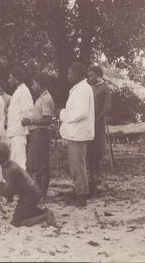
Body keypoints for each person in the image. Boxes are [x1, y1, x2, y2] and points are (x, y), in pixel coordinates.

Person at [0, 141, 57, 227]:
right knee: (23, 213)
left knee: (17, 222)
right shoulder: (6, 166)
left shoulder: (11, 169)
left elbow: (7, 193)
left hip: (31, 195)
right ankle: (42, 212)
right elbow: (12, 187)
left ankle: (45, 216)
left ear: (1, 156)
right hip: (30, 193)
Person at [59, 62, 95, 207]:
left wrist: (63, 115)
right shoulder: (79, 88)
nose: (68, 76)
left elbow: (81, 112)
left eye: (70, 73)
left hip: (78, 133)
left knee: (78, 166)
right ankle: (79, 192)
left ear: (79, 75)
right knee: (76, 165)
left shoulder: (82, 89)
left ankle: (81, 197)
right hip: (75, 133)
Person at [22, 73, 54, 197]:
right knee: (39, 164)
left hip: (41, 133)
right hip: (37, 132)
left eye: (34, 84)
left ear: (39, 84)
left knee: (42, 165)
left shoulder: (46, 99)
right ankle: (39, 192)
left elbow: (47, 120)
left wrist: (30, 121)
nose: (32, 86)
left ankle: (42, 194)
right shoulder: (42, 97)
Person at [87, 65, 111, 197]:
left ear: (98, 75)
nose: (89, 78)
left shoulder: (104, 88)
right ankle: (91, 177)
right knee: (89, 149)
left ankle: (98, 177)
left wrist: (97, 119)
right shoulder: (89, 88)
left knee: (97, 149)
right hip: (88, 123)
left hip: (98, 124)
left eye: (91, 75)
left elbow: (107, 108)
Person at [6, 66, 35, 170]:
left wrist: (24, 122)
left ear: (16, 78)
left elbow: (28, 110)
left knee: (20, 162)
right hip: (13, 132)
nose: (8, 80)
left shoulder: (24, 91)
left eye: (10, 77)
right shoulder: (19, 90)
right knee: (13, 162)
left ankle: (22, 185)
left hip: (19, 132)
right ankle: (15, 186)